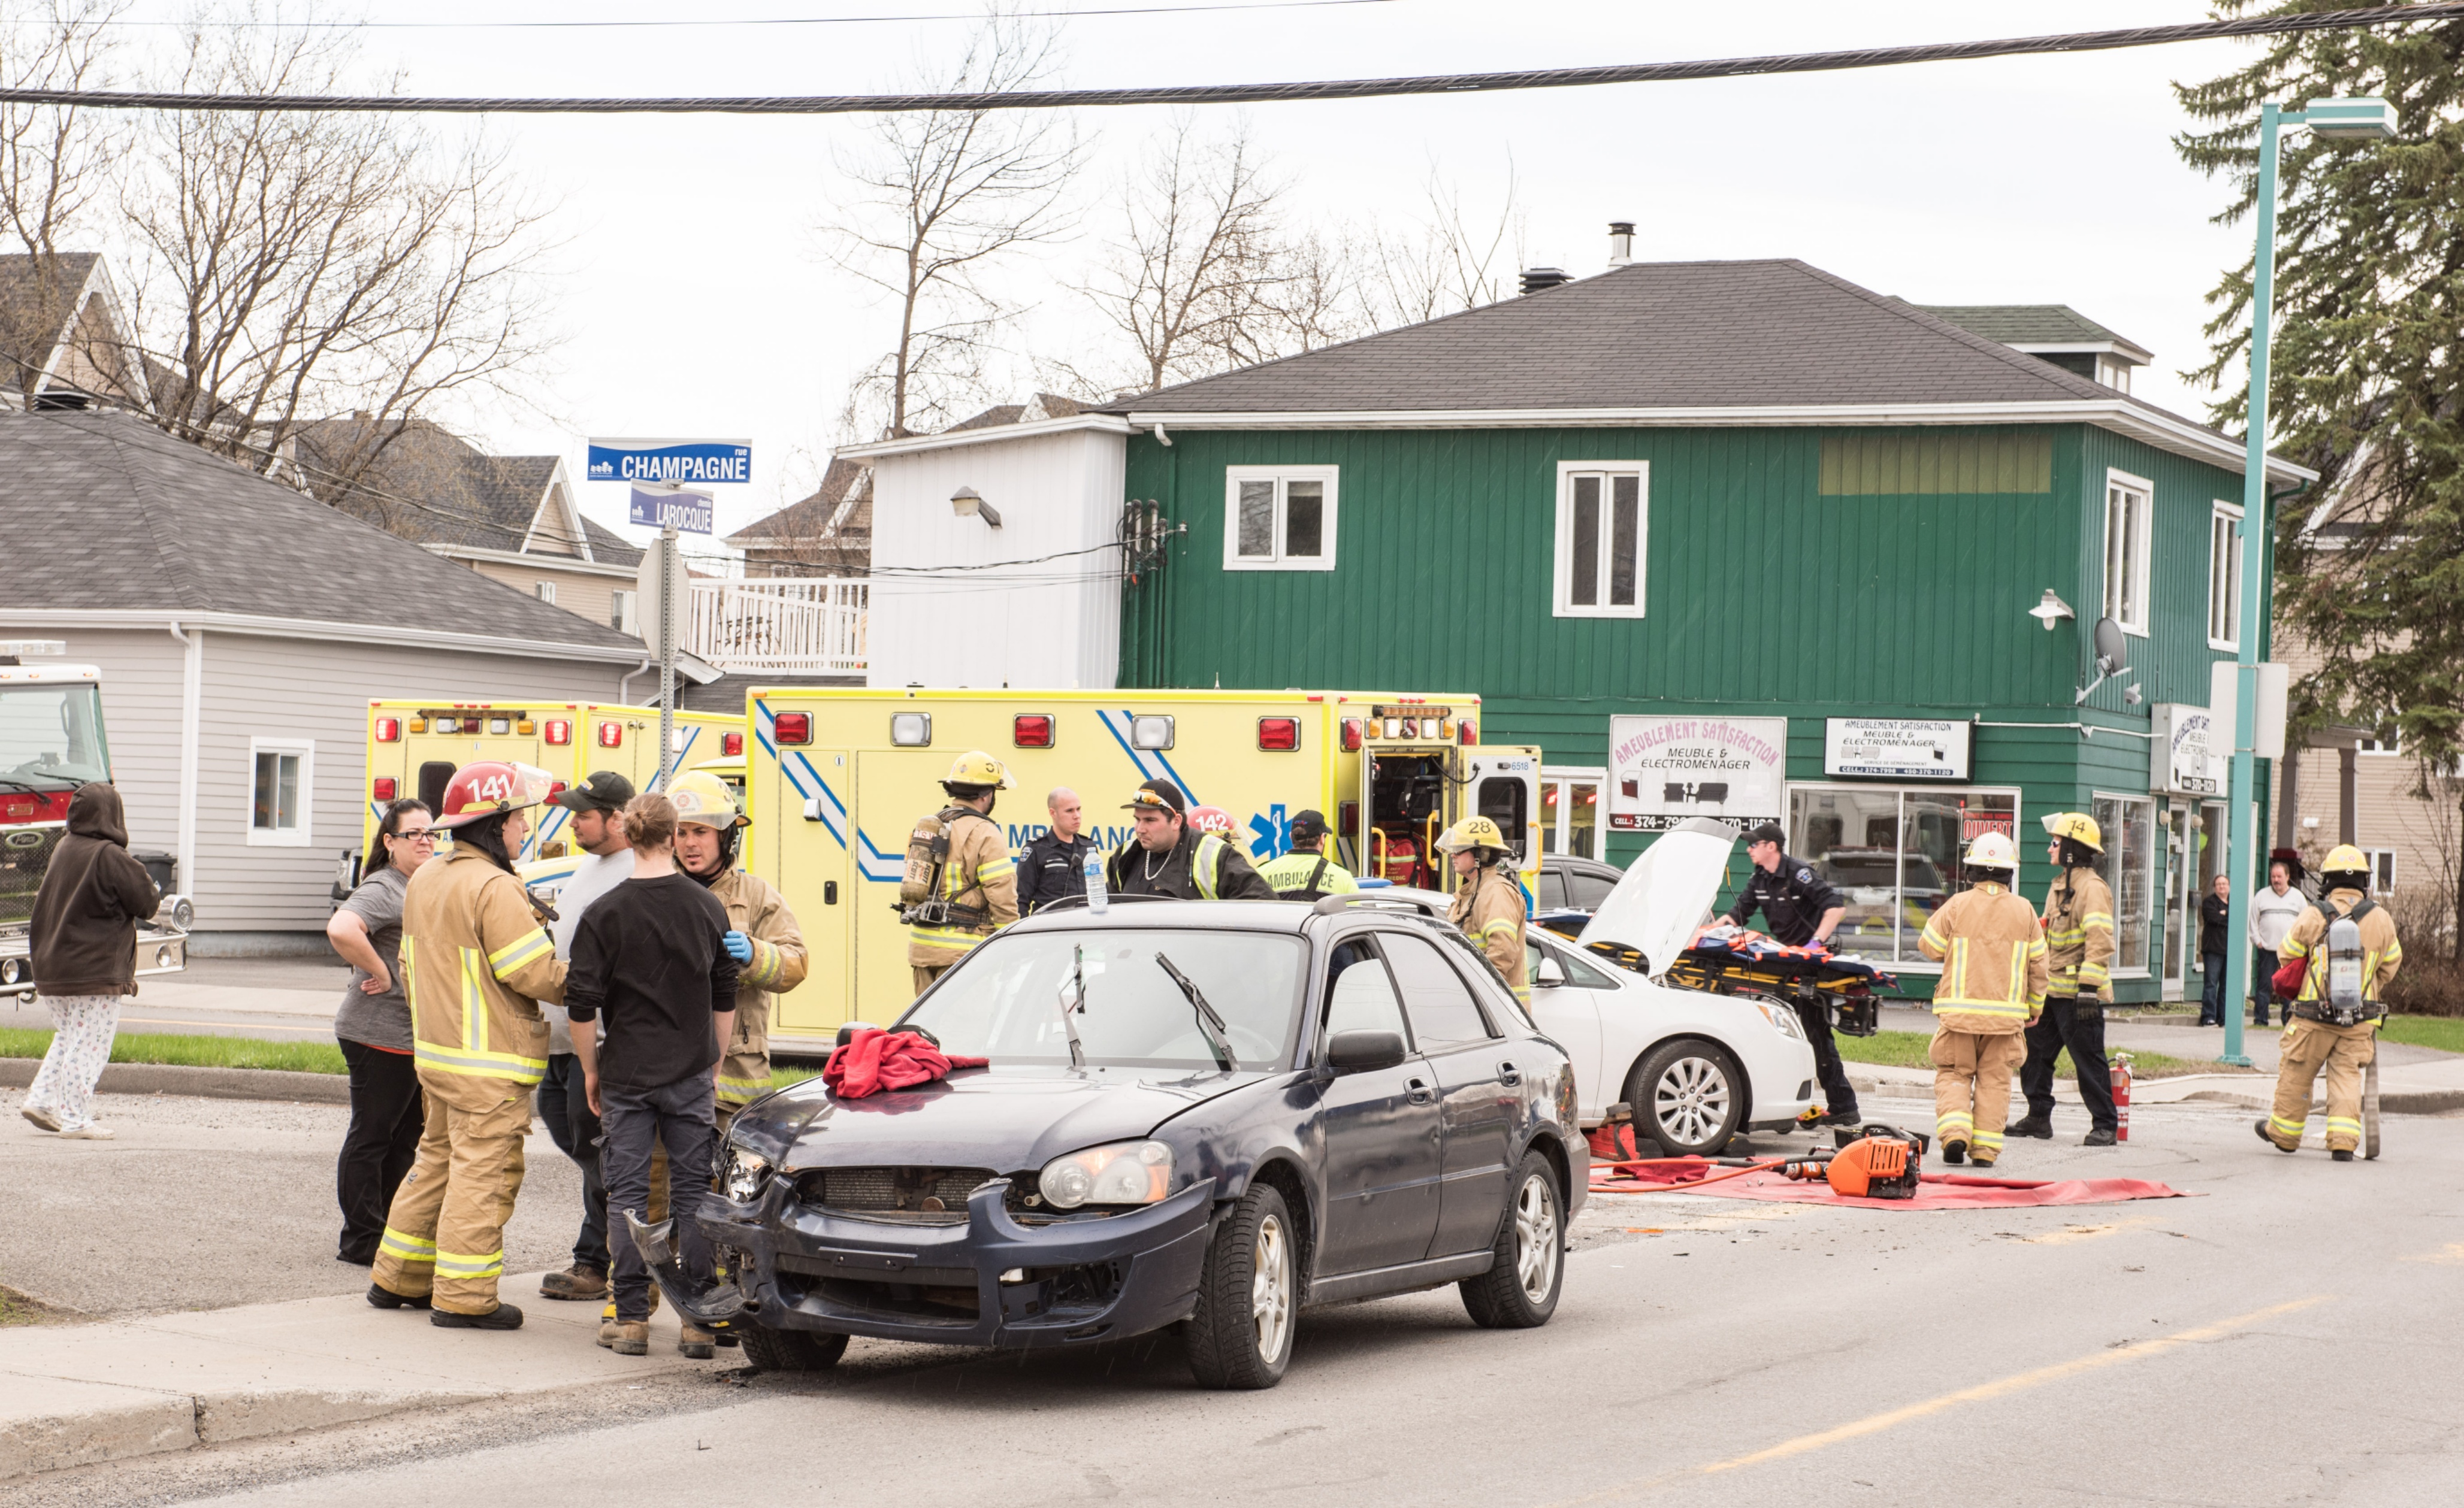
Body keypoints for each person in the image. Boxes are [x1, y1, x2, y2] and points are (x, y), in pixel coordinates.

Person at [368, 761, 566, 1331]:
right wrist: (588, 979)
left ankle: (396, 1278)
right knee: (485, 1175)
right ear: (493, 823)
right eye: (519, 820)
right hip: (490, 1066)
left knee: (434, 1162)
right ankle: (463, 1296)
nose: (524, 831)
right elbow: (532, 973)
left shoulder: (428, 875)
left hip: (438, 1058)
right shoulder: (495, 886)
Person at [565, 793, 738, 1359]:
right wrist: (713, 1062)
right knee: (693, 1193)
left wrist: (591, 1069)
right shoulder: (706, 907)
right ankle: (696, 1320)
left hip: (627, 1074)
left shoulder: (605, 911)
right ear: (671, 837)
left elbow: (583, 1005)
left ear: (628, 833)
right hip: (689, 1071)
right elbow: (724, 992)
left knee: (629, 1195)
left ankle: (632, 1319)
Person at [534, 770, 637, 1307]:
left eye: (585, 814)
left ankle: (599, 1262)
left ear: (618, 818)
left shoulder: (632, 872)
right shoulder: (594, 865)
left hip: (595, 1044)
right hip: (562, 1041)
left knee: (602, 1152)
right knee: (580, 1141)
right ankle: (610, 1253)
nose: (574, 821)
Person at [19, 782, 158, 1141]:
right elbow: (147, 902)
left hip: (53, 968)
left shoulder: (64, 849)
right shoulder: (110, 855)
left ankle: (42, 1100)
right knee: (92, 1043)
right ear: (113, 815)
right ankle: (76, 1119)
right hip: (94, 971)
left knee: (70, 1037)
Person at [326, 798, 434, 1264]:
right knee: (372, 1137)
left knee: (403, 1138)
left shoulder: (420, 885)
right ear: (390, 843)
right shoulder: (385, 887)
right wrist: (382, 972)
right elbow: (342, 928)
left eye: (432, 832)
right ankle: (361, 1239)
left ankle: (390, 1231)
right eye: (414, 834)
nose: (426, 840)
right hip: (375, 1033)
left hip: (408, 1037)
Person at [670, 769, 806, 1131]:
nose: (689, 844)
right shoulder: (658, 892)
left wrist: (754, 954)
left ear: (726, 834)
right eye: (681, 832)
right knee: (657, 1183)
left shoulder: (757, 895)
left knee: (726, 1183)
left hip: (734, 1083)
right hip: (667, 1074)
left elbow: (796, 965)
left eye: (700, 832)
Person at [2257, 844, 2403, 1162]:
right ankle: (2343, 1144)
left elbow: (2286, 954)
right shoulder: (2381, 919)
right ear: (2364, 881)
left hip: (2313, 1018)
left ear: (2327, 880)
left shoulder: (2314, 913)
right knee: (2347, 1077)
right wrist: (2367, 984)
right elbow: (2391, 966)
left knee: (2298, 1072)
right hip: (2359, 1020)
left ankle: (2283, 1134)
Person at [1916, 831, 2048, 1168]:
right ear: (2010, 873)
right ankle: (1986, 1152)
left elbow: (1928, 945)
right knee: (1995, 1083)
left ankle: (1956, 1133)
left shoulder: (1957, 905)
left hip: (1958, 1017)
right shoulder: (2025, 911)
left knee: (1954, 1075)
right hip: (2005, 1022)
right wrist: (2035, 1008)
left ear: (1971, 871)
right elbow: (2039, 967)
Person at [1723, 822, 1857, 1127]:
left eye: (1754, 845)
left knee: (1815, 1036)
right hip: (1786, 965)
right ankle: (1784, 1106)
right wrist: (1708, 931)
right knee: (1779, 1033)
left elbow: (1835, 908)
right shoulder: (1760, 879)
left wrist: (1815, 943)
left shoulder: (1798, 873)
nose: (1749, 849)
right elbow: (1737, 914)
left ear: (1772, 847)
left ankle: (1844, 1106)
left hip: (1810, 965)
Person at [2009, 813, 2118, 1146]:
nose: (2048, 849)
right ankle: (2038, 1118)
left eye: (2055, 843)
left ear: (2071, 850)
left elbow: (2100, 942)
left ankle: (2105, 1125)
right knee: (2034, 1055)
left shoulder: (2092, 890)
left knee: (2088, 1060)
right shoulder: (2061, 885)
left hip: (2077, 995)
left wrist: (2088, 990)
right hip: (2052, 991)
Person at [905, 751, 1019, 994]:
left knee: (923, 1028)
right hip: (963, 953)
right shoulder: (985, 832)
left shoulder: (929, 826)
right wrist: (1010, 942)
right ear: (986, 794)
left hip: (922, 949)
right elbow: (1002, 896)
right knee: (960, 1029)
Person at [1106, 780, 1275, 900]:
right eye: (1137, 819)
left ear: (1176, 821)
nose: (1140, 829)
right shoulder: (1125, 855)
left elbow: (1263, 902)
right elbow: (1107, 905)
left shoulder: (1213, 855)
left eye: (1150, 821)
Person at [1437, 816, 1529, 1002]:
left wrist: (1482, 996)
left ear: (1481, 855)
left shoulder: (1495, 892)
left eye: (1459, 850)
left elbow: (1502, 951)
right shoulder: (1473, 892)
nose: (1453, 855)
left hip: (1496, 1012)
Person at [1017, 787, 1094, 915]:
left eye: (1078, 809)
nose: (1077, 816)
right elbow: (1021, 900)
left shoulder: (1088, 848)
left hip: (1084, 927)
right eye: (1069, 811)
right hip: (1049, 929)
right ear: (1053, 813)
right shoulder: (1036, 849)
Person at [2250, 858, 2305, 1028]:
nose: (2276, 880)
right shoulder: (2261, 896)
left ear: (2287, 877)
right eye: (2273, 876)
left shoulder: (2298, 897)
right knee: (2264, 986)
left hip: (2290, 951)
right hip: (2267, 949)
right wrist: (2257, 941)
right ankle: (2260, 1020)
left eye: (2279, 876)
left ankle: (2287, 1020)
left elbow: (2305, 922)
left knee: (2289, 987)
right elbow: (2253, 920)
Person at [1259, 810, 1359, 901]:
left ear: (1291, 837)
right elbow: (1354, 917)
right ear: (1322, 838)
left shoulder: (1262, 873)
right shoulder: (1343, 878)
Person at [2199, 873, 2233, 1026]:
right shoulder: (2209, 903)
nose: (2222, 887)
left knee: (2226, 986)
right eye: (2219, 884)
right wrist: (2226, 917)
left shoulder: (2233, 902)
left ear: (2229, 886)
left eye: (2224, 884)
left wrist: (2226, 914)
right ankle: (2208, 1017)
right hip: (2212, 949)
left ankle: (2223, 1018)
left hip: (2229, 949)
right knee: (2211, 984)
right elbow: (2214, 919)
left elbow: (2237, 919)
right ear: (2215, 887)